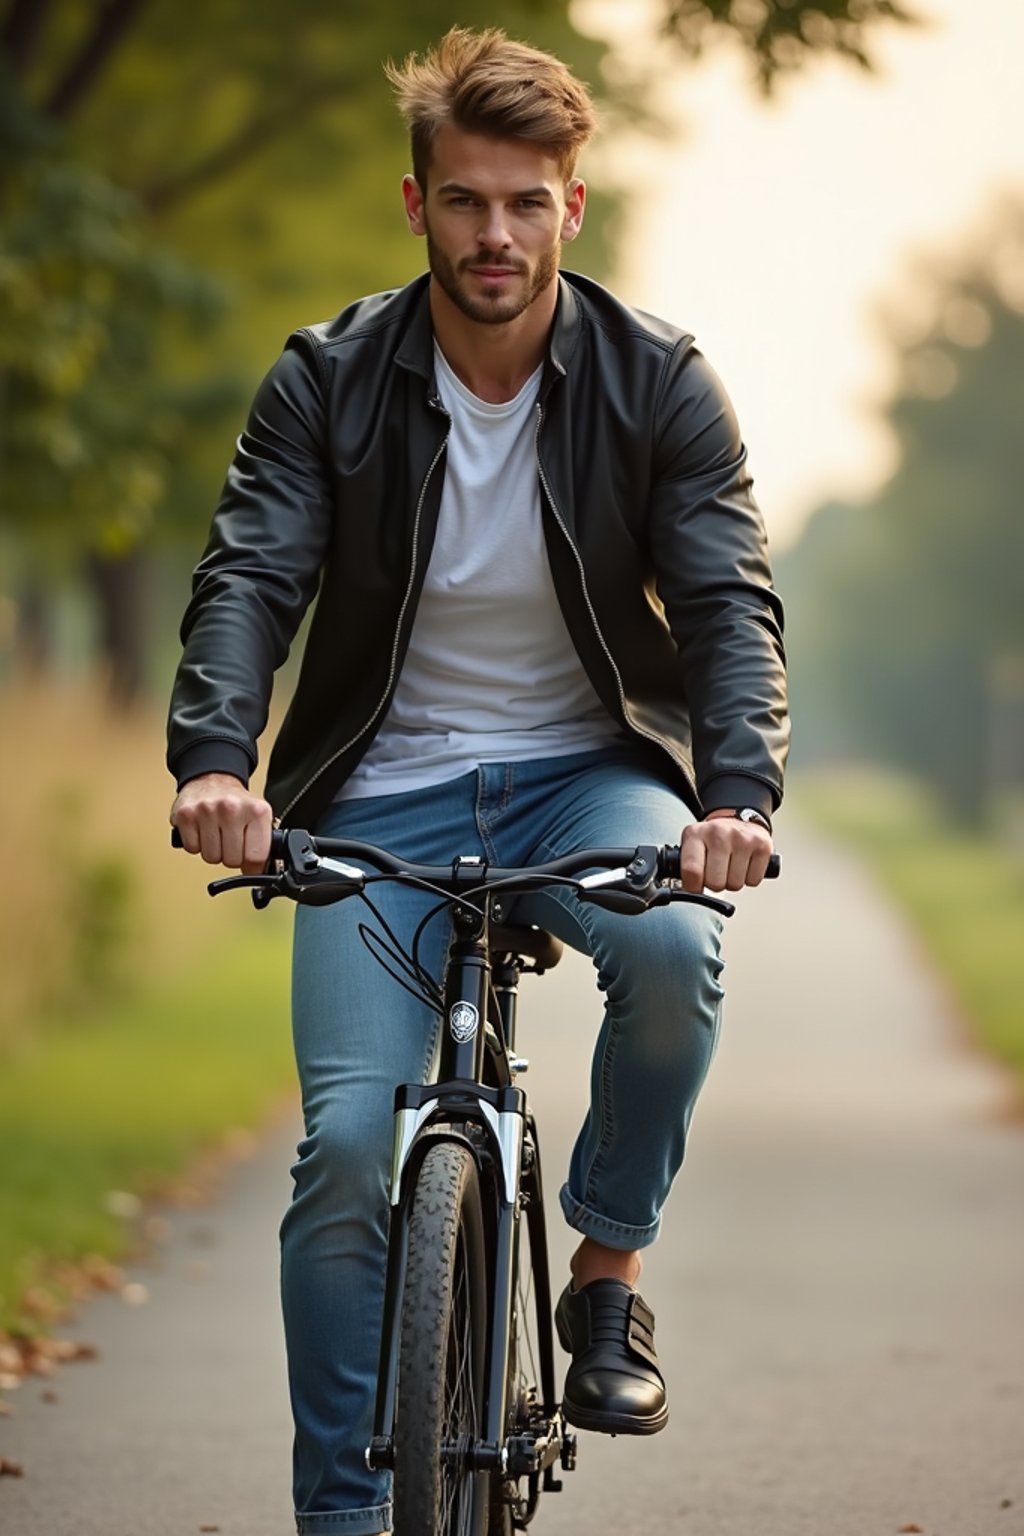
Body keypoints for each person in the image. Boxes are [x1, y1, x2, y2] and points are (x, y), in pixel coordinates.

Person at [167, 25, 788, 1536]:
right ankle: (337, 1516)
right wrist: (214, 762)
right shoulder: (326, 381)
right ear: (415, 204)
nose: (494, 235)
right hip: (379, 799)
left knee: (670, 950)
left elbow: (725, 602)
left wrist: (737, 799)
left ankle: (606, 1276)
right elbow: (251, 572)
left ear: (573, 206)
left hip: (588, 778)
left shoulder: (660, 386)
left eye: (525, 203)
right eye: (463, 202)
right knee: (343, 1159)